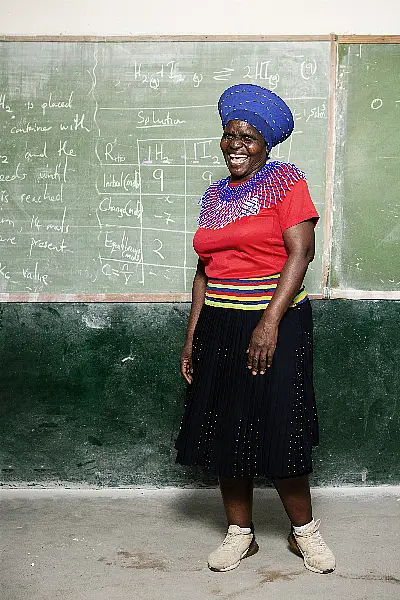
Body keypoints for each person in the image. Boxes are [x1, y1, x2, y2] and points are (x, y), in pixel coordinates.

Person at [175, 83, 335, 575]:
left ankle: (304, 533)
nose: (236, 144)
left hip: (278, 321)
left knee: (280, 428)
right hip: (220, 322)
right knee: (228, 429)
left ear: (266, 142)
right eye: (229, 135)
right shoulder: (215, 195)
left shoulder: (287, 182)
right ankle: (240, 535)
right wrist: (192, 337)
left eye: (247, 135)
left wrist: (269, 322)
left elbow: (300, 254)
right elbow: (205, 270)